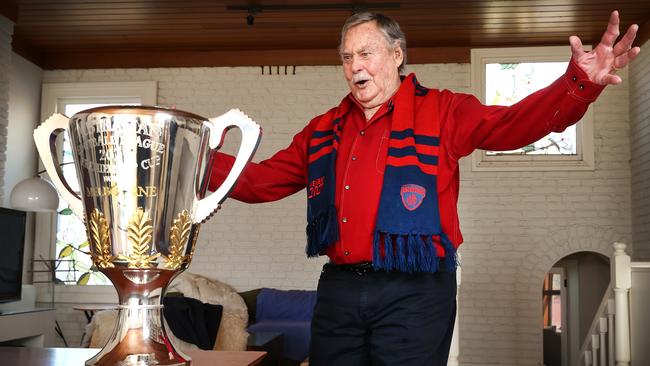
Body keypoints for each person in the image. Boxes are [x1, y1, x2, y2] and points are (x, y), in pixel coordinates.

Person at [209, 10, 640, 366]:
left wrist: (578, 83)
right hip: (339, 290)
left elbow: (512, 125)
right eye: (345, 57)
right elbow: (259, 181)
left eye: (365, 53)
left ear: (396, 55)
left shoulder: (445, 110)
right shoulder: (323, 130)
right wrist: (190, 156)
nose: (354, 65)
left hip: (415, 291)